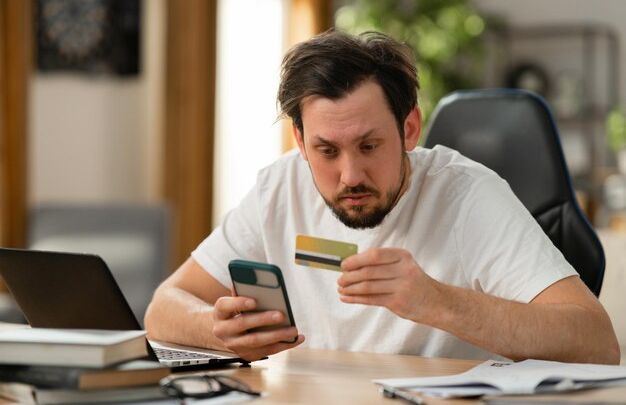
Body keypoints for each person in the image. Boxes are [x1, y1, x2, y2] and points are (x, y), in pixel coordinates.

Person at [145, 30, 620, 364]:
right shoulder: (279, 187)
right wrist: (218, 330)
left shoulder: (470, 196)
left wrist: (438, 302)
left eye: (369, 146)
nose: (350, 175)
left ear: (409, 128)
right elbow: (164, 307)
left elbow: (597, 342)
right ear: (300, 139)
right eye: (326, 150)